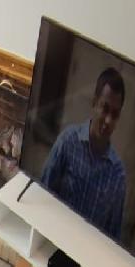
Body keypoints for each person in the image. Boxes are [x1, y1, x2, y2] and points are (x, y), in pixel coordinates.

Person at [41, 67, 127, 242]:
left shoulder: (118, 175)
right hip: (52, 239)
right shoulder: (67, 141)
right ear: (94, 103)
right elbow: (42, 191)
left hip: (88, 253)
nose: (108, 120)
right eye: (105, 109)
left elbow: (113, 239)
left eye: (115, 114)